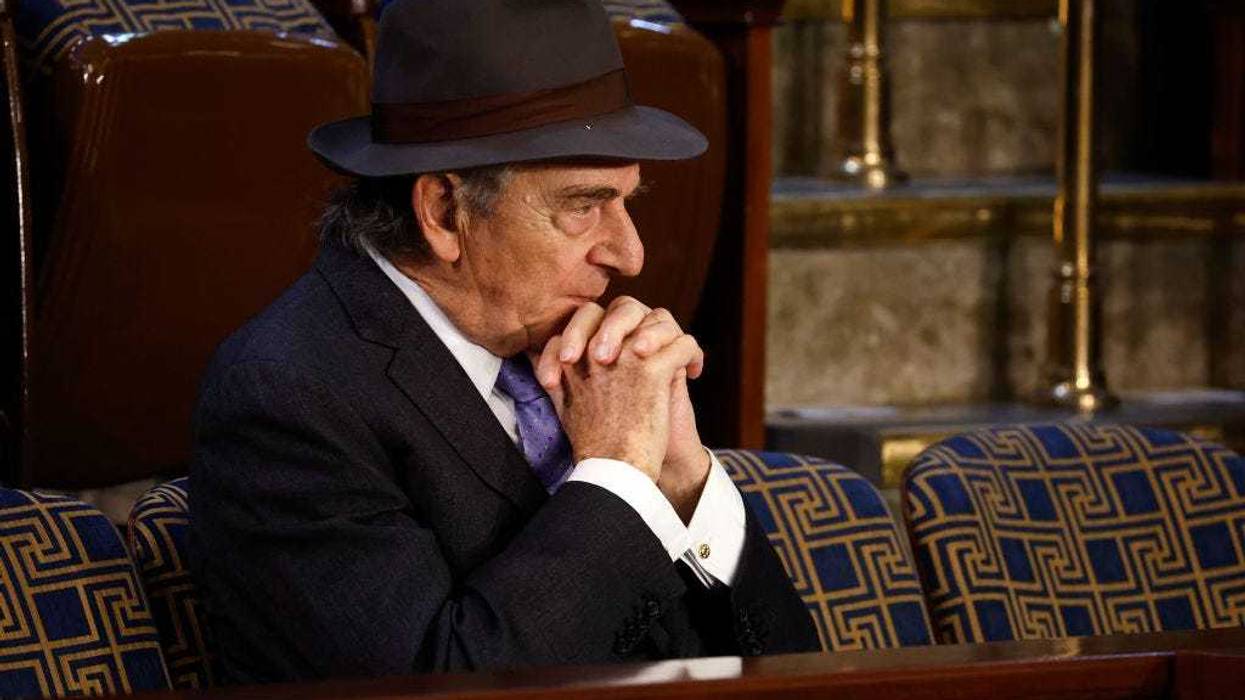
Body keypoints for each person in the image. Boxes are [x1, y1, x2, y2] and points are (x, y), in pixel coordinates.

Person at [189, 0, 818, 684]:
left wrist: (681, 481)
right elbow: (438, 682)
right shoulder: (290, 391)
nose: (630, 255)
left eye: (626, 202)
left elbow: (799, 679)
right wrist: (615, 475)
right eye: (581, 205)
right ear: (444, 212)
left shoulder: (569, 352)